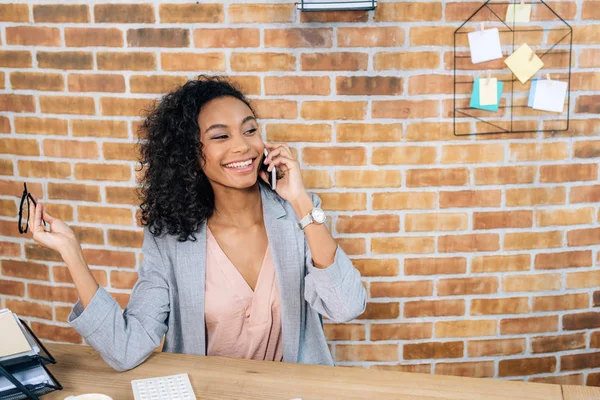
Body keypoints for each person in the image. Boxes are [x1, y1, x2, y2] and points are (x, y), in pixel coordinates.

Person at [27, 75, 366, 372]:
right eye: (221, 137)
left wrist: (302, 200)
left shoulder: (298, 215)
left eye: (250, 129)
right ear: (191, 153)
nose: (242, 146)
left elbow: (346, 306)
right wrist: (71, 252)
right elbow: (125, 349)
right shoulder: (171, 238)